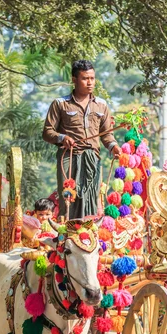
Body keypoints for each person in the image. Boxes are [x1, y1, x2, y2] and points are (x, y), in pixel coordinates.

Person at [42, 59, 121, 219]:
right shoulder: (60, 104)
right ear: (74, 80)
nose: (90, 82)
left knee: (91, 198)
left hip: (92, 158)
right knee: (68, 197)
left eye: (92, 78)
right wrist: (62, 137)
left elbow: (106, 134)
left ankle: (88, 236)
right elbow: (47, 132)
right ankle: (66, 238)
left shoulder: (102, 105)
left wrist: (113, 146)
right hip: (69, 157)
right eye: (85, 78)